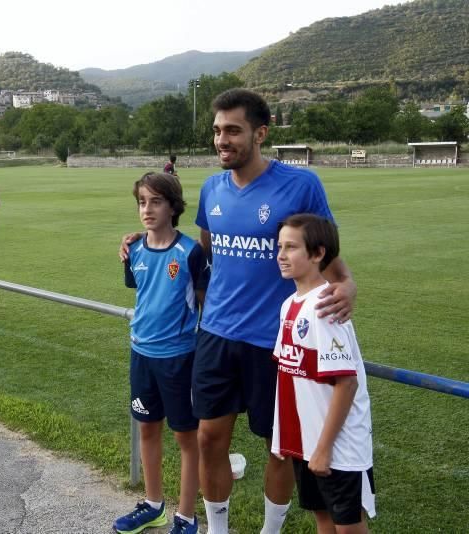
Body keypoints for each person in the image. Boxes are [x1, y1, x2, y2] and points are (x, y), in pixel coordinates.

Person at [121, 89, 357, 534]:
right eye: (216, 131)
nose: (221, 139)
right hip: (215, 336)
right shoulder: (213, 188)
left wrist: (348, 285)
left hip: (275, 341)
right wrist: (141, 245)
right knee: (209, 439)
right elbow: (203, 261)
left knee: (279, 447)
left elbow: (330, 258)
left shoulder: (300, 185)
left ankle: (270, 531)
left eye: (232, 130)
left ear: (260, 133)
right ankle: (218, 529)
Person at [114, 172, 208, 534]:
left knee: (186, 437)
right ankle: (153, 506)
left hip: (179, 358)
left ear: (173, 206)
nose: (147, 209)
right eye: (141, 202)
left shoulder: (190, 252)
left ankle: (186, 517)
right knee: (147, 430)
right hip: (141, 354)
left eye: (156, 201)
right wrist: (129, 243)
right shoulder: (133, 249)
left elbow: (203, 307)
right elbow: (141, 291)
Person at [273, 214, 375, 533]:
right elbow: (290, 370)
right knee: (322, 517)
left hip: (338, 448)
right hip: (307, 441)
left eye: (291, 247)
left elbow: (346, 383)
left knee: (348, 525)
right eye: (279, 246)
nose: (281, 255)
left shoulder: (326, 307)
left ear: (318, 254)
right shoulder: (289, 303)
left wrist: (324, 448)